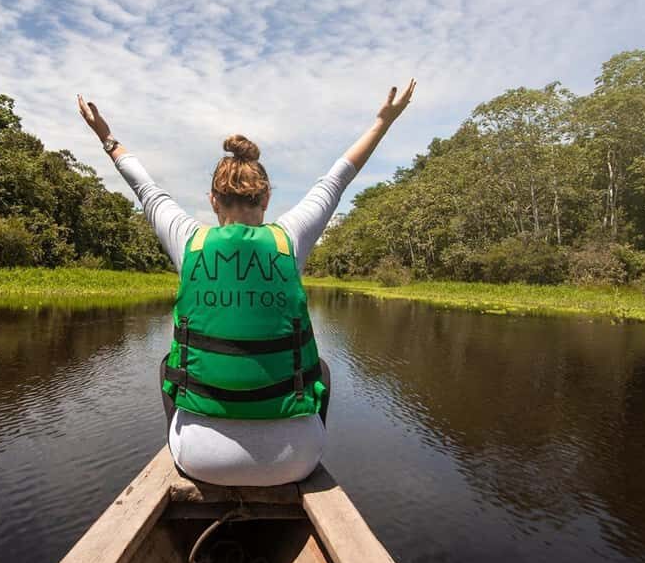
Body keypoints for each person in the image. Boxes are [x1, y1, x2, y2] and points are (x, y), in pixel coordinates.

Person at [76, 79, 416, 486]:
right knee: (321, 370)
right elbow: (337, 179)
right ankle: (298, 446)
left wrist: (106, 137)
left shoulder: (190, 241)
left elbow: (144, 187)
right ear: (266, 199)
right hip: (297, 460)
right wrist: (384, 121)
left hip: (199, 460)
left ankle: (193, 444)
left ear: (213, 200)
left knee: (170, 366)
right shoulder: (288, 240)